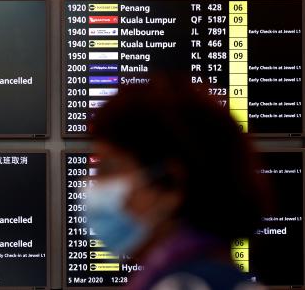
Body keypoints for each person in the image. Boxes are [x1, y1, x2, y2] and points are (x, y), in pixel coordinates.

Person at [84, 75, 271, 290]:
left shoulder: (184, 284)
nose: (93, 183)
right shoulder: (217, 278)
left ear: (169, 182)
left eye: (109, 168)